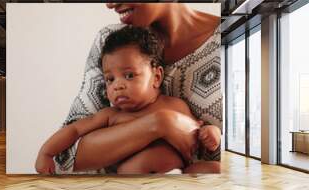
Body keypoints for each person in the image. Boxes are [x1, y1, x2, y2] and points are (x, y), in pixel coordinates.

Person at [45, 3, 222, 174]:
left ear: (157, 77)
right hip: (134, 189)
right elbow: (71, 140)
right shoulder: (111, 114)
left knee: (215, 169)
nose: (117, 85)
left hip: (183, 179)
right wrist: (47, 153)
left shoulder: (176, 104)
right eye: (109, 79)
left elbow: (200, 131)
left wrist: (211, 134)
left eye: (129, 75)